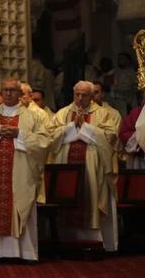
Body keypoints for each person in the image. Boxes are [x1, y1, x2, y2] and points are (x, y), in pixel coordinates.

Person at [0, 78, 49, 261]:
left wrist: (19, 134)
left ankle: (24, 253)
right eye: (5, 90)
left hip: (21, 173)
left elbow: (44, 142)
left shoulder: (33, 117)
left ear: (20, 93)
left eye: (12, 90)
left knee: (19, 204)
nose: (8, 93)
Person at [48, 80, 119, 252]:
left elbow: (110, 137)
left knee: (91, 193)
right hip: (66, 164)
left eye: (84, 95)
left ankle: (94, 241)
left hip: (93, 166)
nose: (80, 98)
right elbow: (49, 136)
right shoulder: (63, 113)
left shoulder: (103, 114)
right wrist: (72, 126)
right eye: (77, 94)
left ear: (92, 96)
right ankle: (66, 239)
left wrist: (85, 127)